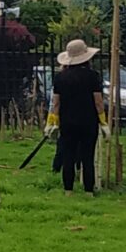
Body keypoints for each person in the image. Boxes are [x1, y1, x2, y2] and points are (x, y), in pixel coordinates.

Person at [49, 37, 105, 194]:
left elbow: (56, 103)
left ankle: (68, 190)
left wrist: (53, 121)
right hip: (88, 121)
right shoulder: (93, 76)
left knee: (68, 155)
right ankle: (88, 190)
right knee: (88, 156)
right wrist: (103, 121)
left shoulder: (60, 77)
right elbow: (98, 102)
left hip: (67, 122)